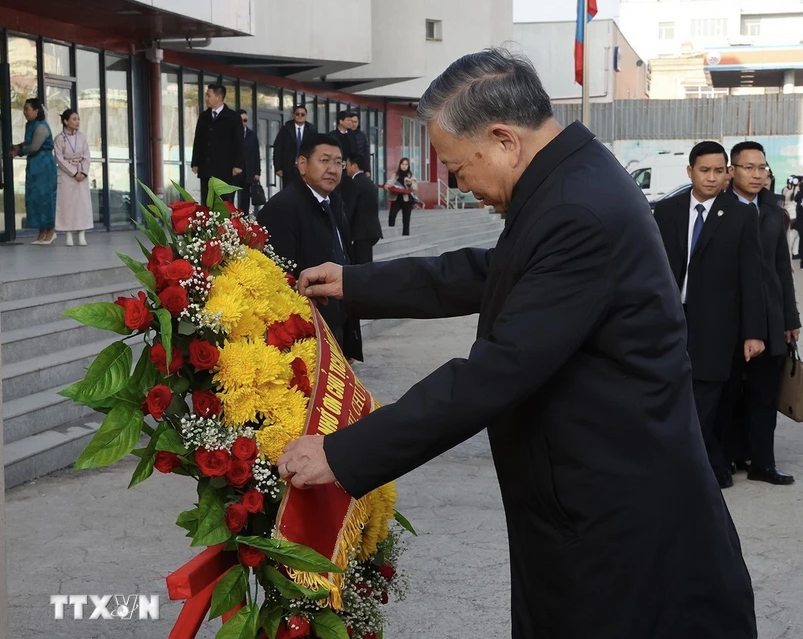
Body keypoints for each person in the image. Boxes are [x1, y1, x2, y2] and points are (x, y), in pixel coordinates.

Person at [278, 49, 757, 638]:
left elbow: (496, 371)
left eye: (458, 166)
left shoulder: (576, 207)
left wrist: (343, 452)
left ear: (504, 140)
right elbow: (490, 271)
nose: (458, 181)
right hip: (587, 496)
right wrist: (355, 282)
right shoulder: (568, 180)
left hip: (614, 516)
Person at [653, 141, 766, 489]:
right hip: (671, 320)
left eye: (720, 170)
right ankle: (708, 465)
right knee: (673, 392)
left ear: (727, 172)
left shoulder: (741, 214)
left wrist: (754, 332)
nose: (713, 178)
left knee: (707, 398)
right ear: (690, 172)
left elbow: (752, 276)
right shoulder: (667, 211)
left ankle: (696, 471)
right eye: (705, 170)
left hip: (717, 326)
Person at [722, 141, 799, 486]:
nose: (757, 174)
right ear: (732, 170)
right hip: (729, 319)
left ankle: (762, 463)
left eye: (762, 168)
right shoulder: (718, 208)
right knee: (727, 394)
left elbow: (782, 268)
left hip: (770, 317)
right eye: (748, 167)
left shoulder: (772, 209)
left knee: (765, 394)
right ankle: (726, 458)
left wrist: (791, 318)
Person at [257, 134, 363, 361]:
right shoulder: (281, 208)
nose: (333, 169)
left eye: (338, 162)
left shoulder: (332, 201)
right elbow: (279, 281)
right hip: (308, 334)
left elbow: (344, 259)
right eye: (324, 161)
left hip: (337, 325)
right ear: (302, 165)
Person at [10, 98, 56, 245]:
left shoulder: (42, 126)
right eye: (24, 109)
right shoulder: (29, 125)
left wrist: (19, 152)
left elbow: (34, 146)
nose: (25, 112)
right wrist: (17, 146)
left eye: (27, 109)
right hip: (34, 165)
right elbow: (28, 142)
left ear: (37, 111)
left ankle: (51, 230)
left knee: (45, 197)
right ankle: (41, 231)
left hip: (44, 165)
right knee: (34, 197)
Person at [190, 83, 244, 204]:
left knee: (224, 202)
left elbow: (239, 142)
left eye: (209, 95)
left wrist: (238, 165)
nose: (206, 99)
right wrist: (196, 162)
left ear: (219, 97)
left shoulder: (232, 117)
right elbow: (198, 140)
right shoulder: (204, 116)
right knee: (207, 202)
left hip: (225, 169)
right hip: (206, 168)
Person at [53, 109, 93, 246]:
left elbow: (87, 155)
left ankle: (82, 234)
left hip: (81, 172)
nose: (77, 122)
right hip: (67, 175)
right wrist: (73, 173)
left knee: (82, 204)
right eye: (74, 119)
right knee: (67, 205)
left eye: (78, 119)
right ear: (66, 121)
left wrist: (83, 172)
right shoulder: (59, 138)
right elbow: (59, 158)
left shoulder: (82, 137)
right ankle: (68, 234)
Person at [345, 152, 382, 264]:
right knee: (366, 264)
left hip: (361, 232)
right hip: (371, 230)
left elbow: (350, 209)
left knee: (362, 267)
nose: (345, 167)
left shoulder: (355, 183)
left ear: (354, 166)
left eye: (347, 164)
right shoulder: (369, 182)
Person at [272, 104, 317, 188]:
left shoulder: (312, 130)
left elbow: (316, 149)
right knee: (289, 192)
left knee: (305, 192)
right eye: (297, 114)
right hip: (289, 168)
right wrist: (278, 168)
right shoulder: (285, 129)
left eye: (302, 114)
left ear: (306, 116)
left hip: (306, 168)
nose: (300, 116)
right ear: (293, 115)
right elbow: (278, 149)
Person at [236, 109, 261, 213]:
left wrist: (257, 172)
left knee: (245, 199)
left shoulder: (252, 135)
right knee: (229, 197)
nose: (243, 123)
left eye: (245, 120)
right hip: (233, 171)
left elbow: (256, 154)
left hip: (248, 172)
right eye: (240, 120)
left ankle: (243, 221)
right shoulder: (230, 134)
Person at [385, 158, 417, 235]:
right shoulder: (395, 175)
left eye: (406, 164)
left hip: (407, 200)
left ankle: (405, 236)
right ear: (399, 165)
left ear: (408, 166)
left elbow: (415, 188)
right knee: (391, 216)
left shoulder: (411, 176)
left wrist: (410, 184)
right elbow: (389, 183)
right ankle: (391, 233)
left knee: (406, 219)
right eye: (402, 164)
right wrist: (387, 186)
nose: (404, 166)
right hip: (396, 199)